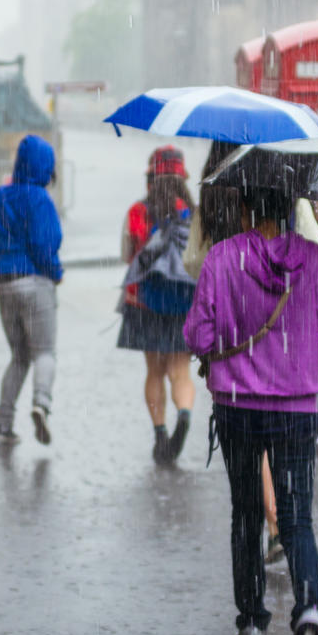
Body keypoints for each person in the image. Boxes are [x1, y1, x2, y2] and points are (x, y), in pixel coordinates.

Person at [184, 184, 318, 635]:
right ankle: (311, 607)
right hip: (295, 406)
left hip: (236, 407)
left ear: (249, 208)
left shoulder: (222, 258)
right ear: (292, 209)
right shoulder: (315, 261)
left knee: (248, 511)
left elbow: (199, 336)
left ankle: (252, 622)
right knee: (296, 520)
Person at [183, 141, 318, 563]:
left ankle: (267, 532)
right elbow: (315, 244)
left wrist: (227, 273)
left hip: (232, 335)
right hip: (285, 336)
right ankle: (281, 526)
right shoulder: (281, 182)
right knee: (281, 433)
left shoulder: (212, 189)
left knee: (247, 450)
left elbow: (193, 260)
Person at [0, 134, 63, 446]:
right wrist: (56, 273)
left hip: (3, 284)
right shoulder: (40, 199)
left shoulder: (1, 196)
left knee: (18, 356)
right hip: (35, 282)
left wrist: (4, 260)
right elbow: (44, 246)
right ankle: (41, 404)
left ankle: (3, 424)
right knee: (44, 352)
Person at [118, 146, 197, 464]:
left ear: (152, 177)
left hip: (144, 302)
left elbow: (128, 256)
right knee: (180, 372)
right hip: (183, 301)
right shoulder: (192, 212)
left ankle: (161, 433)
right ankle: (186, 414)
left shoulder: (138, 211)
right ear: (182, 179)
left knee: (154, 370)